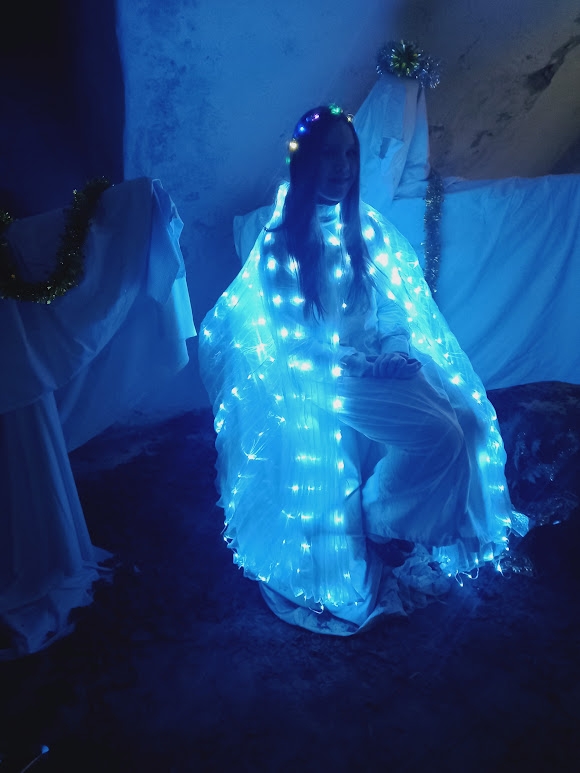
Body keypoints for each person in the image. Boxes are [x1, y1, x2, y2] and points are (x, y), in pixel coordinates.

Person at [199, 105, 526, 635]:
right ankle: (378, 519)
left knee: (468, 422)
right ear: (305, 161)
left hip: (381, 362)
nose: (342, 167)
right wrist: (363, 365)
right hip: (330, 376)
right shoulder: (281, 245)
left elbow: (393, 305)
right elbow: (295, 346)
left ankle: (392, 517)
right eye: (329, 154)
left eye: (349, 154)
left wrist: (394, 349)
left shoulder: (364, 227)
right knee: (441, 435)